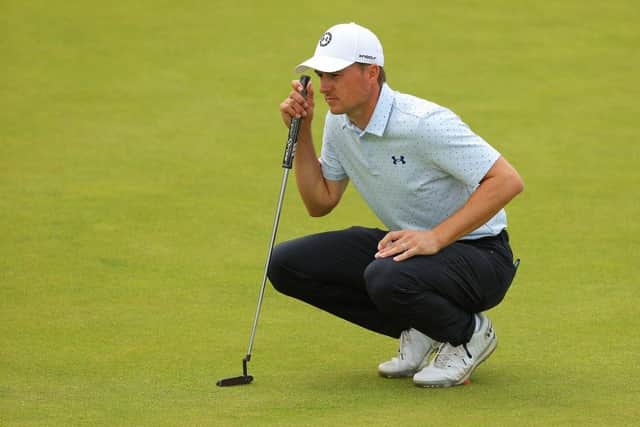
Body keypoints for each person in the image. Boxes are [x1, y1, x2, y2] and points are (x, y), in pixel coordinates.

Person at [268, 22, 524, 387]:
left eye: (335, 75)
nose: (324, 87)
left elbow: (507, 180)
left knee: (385, 276)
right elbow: (320, 201)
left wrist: (435, 238)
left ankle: (467, 334)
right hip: (411, 248)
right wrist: (303, 131)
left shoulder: (422, 123)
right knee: (286, 265)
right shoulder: (338, 123)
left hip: (480, 256)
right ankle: (423, 326)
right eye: (321, 75)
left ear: (371, 73)